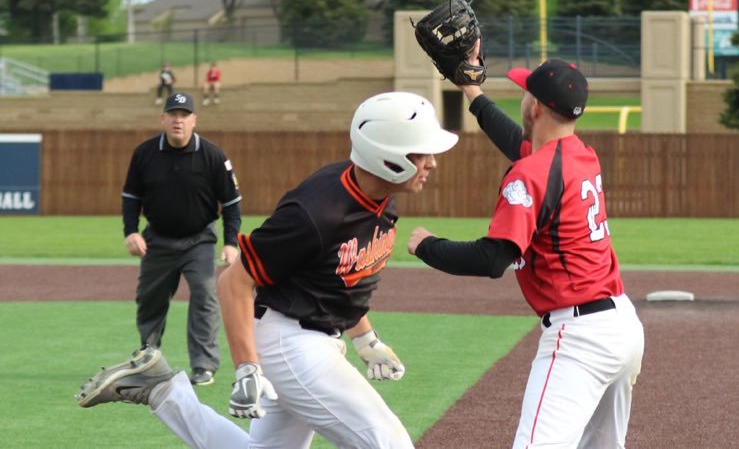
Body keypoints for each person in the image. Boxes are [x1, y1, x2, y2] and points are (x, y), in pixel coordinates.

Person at [77, 91, 458, 449]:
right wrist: (247, 367)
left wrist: (366, 340)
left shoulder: (380, 197)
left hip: (312, 336)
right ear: (388, 156)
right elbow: (234, 282)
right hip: (292, 344)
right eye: (422, 152)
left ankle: (164, 391)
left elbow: (342, 281)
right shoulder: (313, 213)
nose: (432, 162)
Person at [406, 55, 646, 448]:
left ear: (535, 107)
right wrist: (472, 91)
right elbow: (516, 142)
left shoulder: (531, 172)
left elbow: (492, 258)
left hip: (579, 338)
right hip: (622, 326)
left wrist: (429, 246)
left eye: (524, 93)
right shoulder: (582, 154)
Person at [121, 92, 242, 385]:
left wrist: (231, 242)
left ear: (194, 120)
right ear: (163, 119)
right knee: (150, 298)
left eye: (184, 115)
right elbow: (131, 196)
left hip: (198, 240)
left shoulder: (213, 155)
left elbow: (231, 203)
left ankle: (203, 365)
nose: (178, 120)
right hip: (157, 240)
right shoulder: (145, 153)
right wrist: (131, 231)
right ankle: (149, 355)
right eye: (173, 114)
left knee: (204, 294)